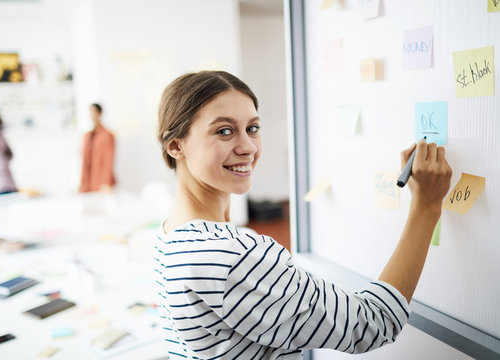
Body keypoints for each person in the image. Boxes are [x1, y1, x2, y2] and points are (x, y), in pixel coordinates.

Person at [154, 71, 452, 359]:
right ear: (176, 145)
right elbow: (372, 324)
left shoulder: (169, 232)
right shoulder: (229, 255)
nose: (247, 147)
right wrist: (426, 207)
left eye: (253, 128)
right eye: (224, 131)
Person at [79, 103, 116, 193]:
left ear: (100, 114)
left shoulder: (107, 135)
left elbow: (109, 160)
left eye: (94, 113)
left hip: (101, 184)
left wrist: (105, 183)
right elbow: (84, 161)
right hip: (88, 184)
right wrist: (82, 183)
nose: (92, 116)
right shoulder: (87, 136)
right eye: (91, 113)